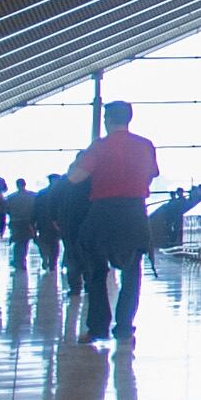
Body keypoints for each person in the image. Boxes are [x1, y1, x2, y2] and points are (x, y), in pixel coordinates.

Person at [68, 101, 162, 342]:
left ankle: (98, 328)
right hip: (134, 213)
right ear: (129, 119)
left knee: (97, 271)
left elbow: (76, 178)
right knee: (132, 272)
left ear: (107, 119)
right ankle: (124, 327)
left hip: (103, 213)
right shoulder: (145, 145)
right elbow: (152, 174)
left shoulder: (100, 146)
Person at [4, 178, 31, 266]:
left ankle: (17, 260)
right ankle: (22, 259)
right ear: (25, 184)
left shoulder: (11, 197)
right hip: (27, 222)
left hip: (15, 221)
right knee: (25, 241)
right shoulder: (32, 196)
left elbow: (6, 209)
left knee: (18, 242)